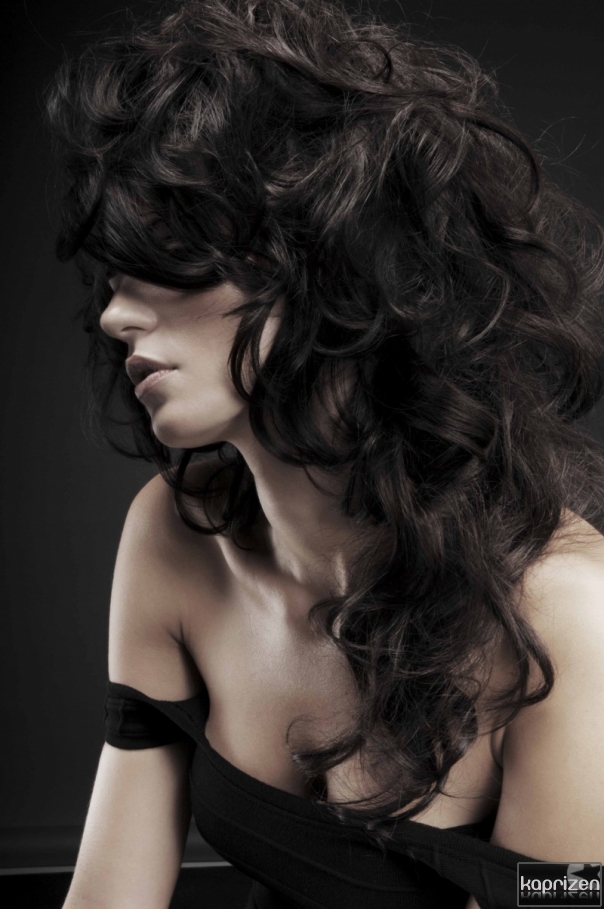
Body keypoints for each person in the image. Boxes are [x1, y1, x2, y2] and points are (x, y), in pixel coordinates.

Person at [46, 0, 604, 906]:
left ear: (335, 265)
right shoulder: (175, 534)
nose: (115, 315)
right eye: (114, 274)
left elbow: (567, 895)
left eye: (172, 256)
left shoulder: (567, 617)